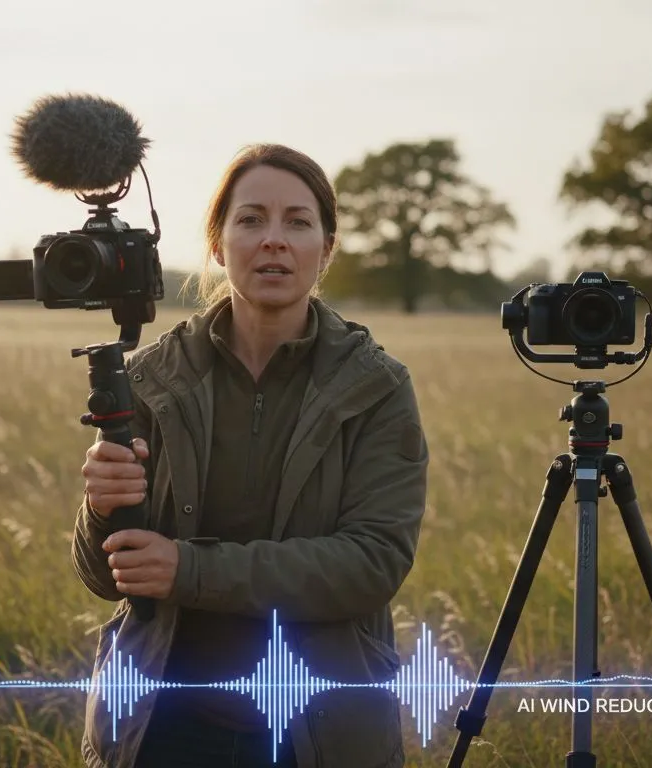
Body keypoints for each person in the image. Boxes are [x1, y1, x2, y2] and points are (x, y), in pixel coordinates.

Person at [72, 143, 429, 768]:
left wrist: (190, 570)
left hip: (318, 733)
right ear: (218, 243)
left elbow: (372, 563)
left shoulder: (375, 386)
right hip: (165, 727)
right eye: (251, 219)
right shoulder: (151, 379)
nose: (274, 240)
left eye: (297, 222)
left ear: (326, 247)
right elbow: (109, 579)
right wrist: (100, 511)